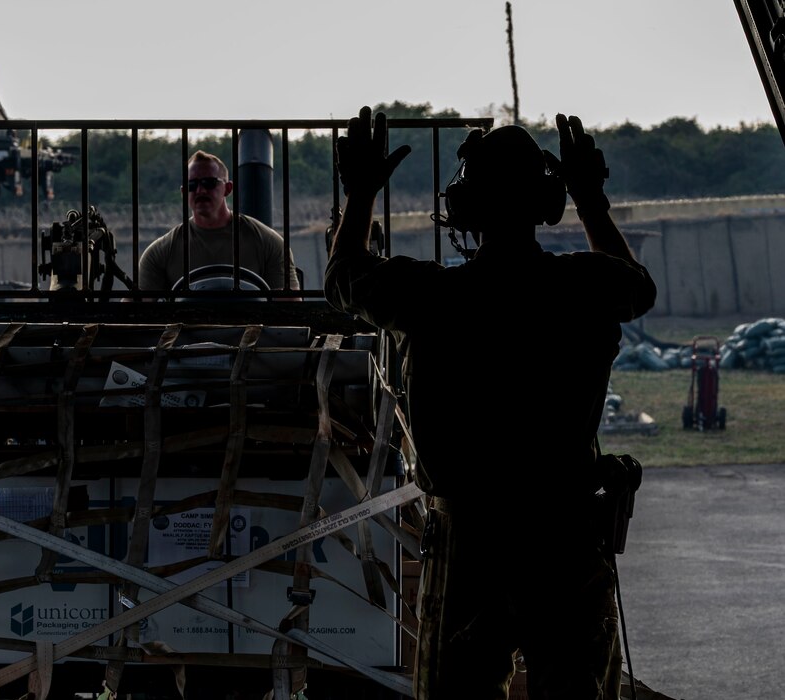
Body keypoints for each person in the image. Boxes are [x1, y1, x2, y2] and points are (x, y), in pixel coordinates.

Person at [324, 107, 656, 699]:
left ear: (463, 211)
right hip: (564, 537)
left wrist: (362, 191)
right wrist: (589, 197)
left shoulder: (430, 297)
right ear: (546, 204)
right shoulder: (585, 287)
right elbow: (635, 283)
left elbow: (344, 275)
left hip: (468, 542)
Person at [137, 150, 300, 293]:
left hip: (251, 328)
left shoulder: (269, 243)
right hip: (186, 329)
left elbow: (289, 308)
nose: (200, 190)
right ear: (183, 192)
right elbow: (137, 311)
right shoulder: (160, 253)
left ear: (228, 189)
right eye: (192, 185)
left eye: (209, 183)